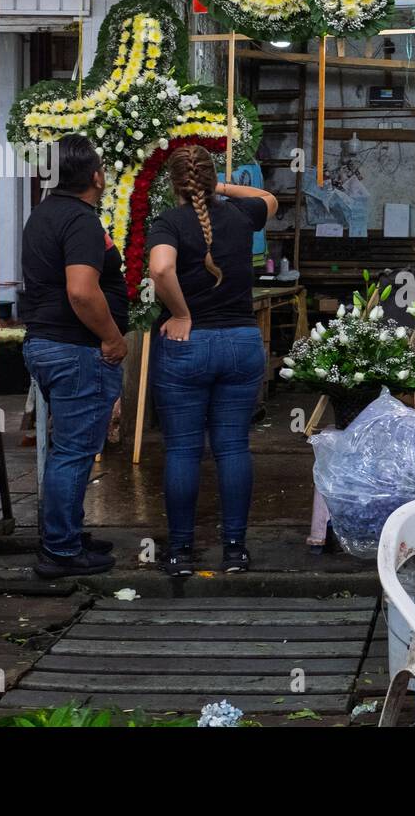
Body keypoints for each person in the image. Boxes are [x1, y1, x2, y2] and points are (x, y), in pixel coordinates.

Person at [147, 145, 277, 576]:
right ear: (210, 179)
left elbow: (160, 269)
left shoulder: (169, 221)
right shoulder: (240, 217)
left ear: (173, 183)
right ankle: (235, 550)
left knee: (183, 450)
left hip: (189, 344)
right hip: (240, 342)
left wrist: (181, 313)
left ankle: (181, 552)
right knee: (233, 448)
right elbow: (268, 200)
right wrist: (217, 186)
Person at [21, 135, 128, 578]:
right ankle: (61, 551)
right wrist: (111, 338)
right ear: (96, 176)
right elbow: (82, 292)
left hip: (47, 344)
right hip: (76, 348)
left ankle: (64, 532)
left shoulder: (43, 215)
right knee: (74, 450)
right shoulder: (81, 221)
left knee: (68, 448)